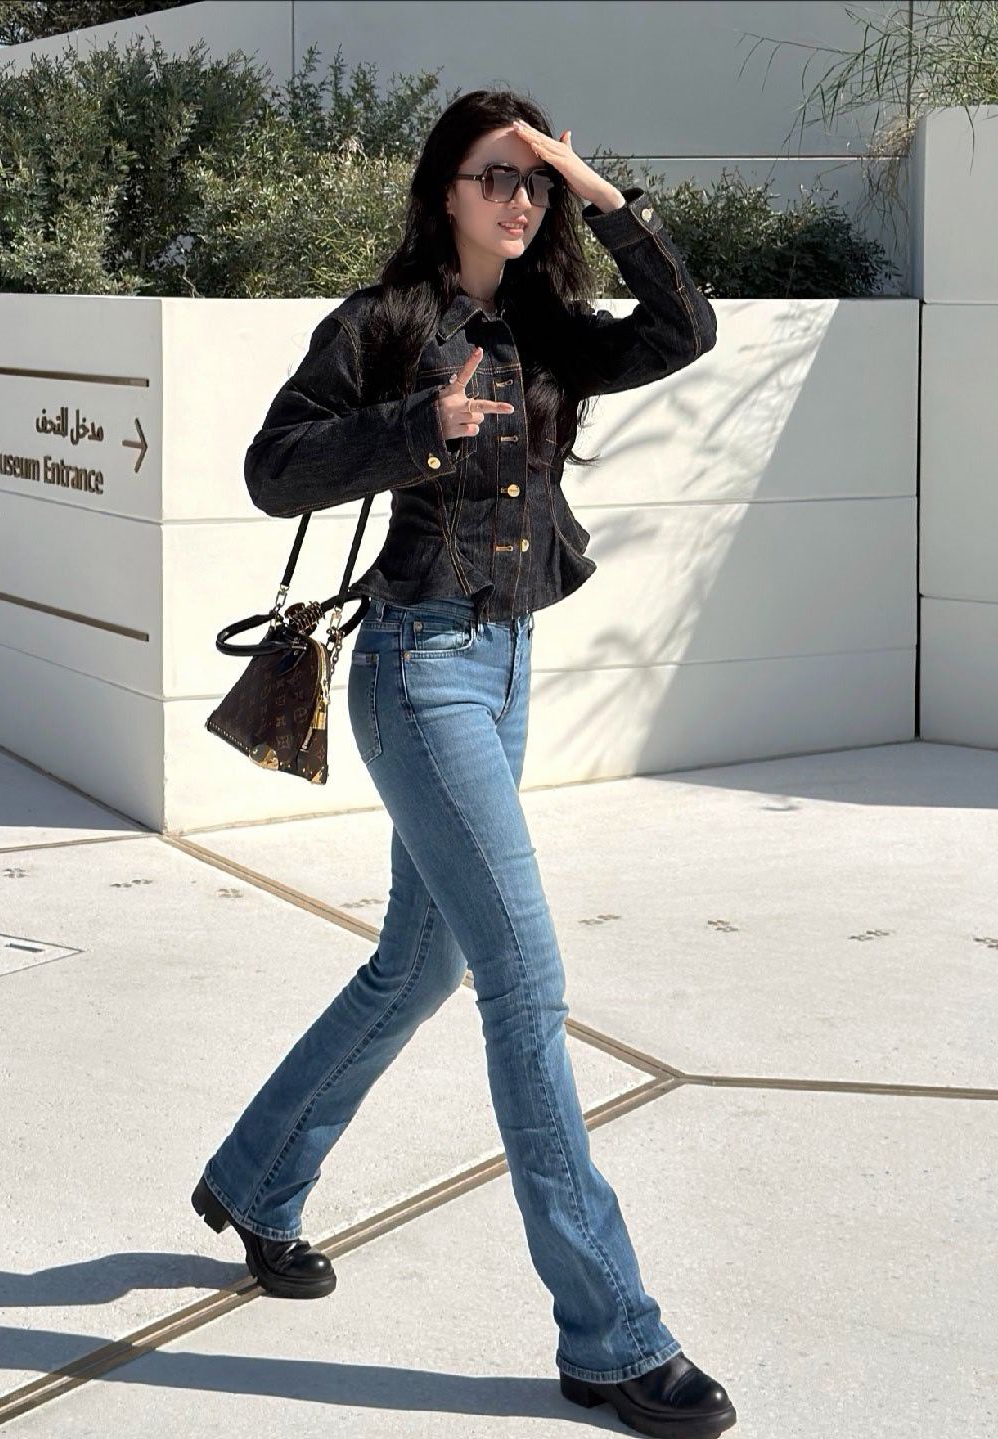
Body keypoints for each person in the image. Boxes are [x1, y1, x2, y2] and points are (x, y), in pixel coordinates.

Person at [193, 89, 734, 1438]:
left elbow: (686, 329)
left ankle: (256, 1178)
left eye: (536, 181)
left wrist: (600, 189)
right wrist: (417, 426)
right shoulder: (384, 321)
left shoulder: (548, 327)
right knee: (523, 981)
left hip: (504, 670)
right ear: (445, 187)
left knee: (417, 964)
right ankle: (611, 1333)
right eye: (498, 174)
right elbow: (272, 468)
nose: (520, 199)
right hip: (417, 669)